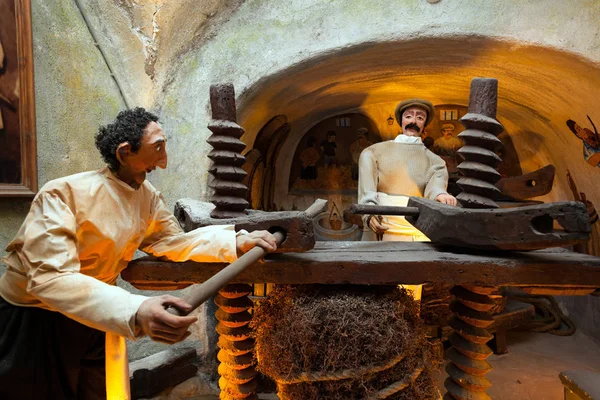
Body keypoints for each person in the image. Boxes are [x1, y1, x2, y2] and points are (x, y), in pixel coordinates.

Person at [0, 107, 277, 399]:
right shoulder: (62, 194)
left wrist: (236, 241)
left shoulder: (146, 197)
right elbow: (50, 278)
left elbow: (171, 241)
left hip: (97, 314)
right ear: (124, 152)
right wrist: (137, 309)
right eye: (157, 148)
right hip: (35, 321)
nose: (164, 161)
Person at [358, 99, 457, 300]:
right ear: (401, 121)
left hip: (413, 228)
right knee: (374, 288)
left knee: (409, 291)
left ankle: (409, 321)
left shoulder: (435, 161)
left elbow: (435, 186)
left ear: (425, 125)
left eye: (419, 117)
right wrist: (368, 213)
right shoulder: (374, 152)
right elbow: (367, 193)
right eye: (409, 116)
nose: (414, 121)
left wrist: (441, 195)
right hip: (382, 224)